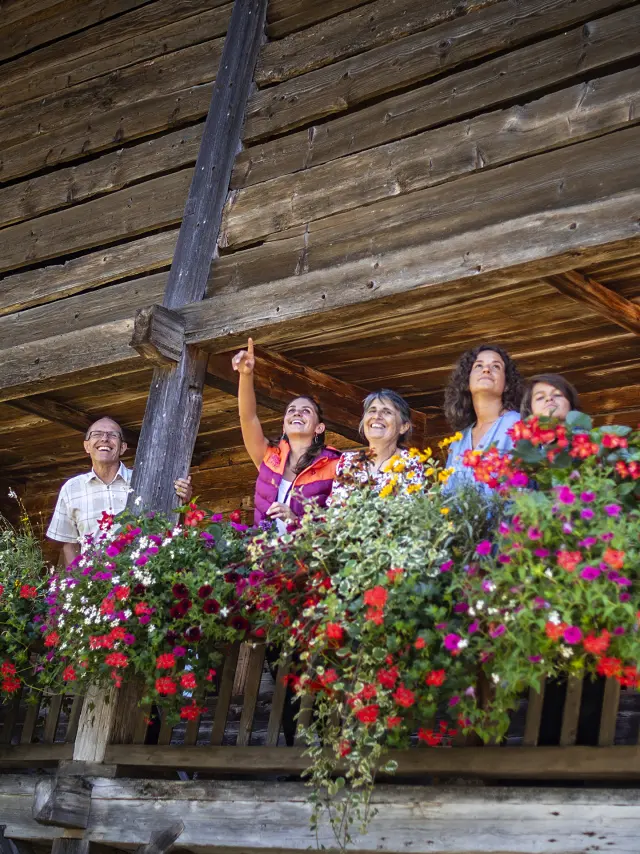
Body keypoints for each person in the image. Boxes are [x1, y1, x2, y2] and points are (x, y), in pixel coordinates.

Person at [47, 416, 192, 565]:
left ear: (122, 447)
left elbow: (171, 524)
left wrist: (181, 500)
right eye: (96, 434)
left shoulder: (144, 481)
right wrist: (78, 583)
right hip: (97, 580)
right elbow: (69, 544)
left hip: (144, 572)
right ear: (87, 446)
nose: (104, 438)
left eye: (112, 435)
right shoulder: (71, 489)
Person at [231, 338, 340, 530]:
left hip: (309, 557)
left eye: (306, 411)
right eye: (291, 410)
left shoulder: (334, 465)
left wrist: (294, 520)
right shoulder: (269, 458)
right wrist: (246, 375)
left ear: (319, 428)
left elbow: (338, 525)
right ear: (283, 426)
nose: (297, 413)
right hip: (266, 557)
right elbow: (248, 418)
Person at [443, 344, 523, 489]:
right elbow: (447, 494)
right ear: (467, 382)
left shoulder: (519, 424)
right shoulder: (458, 440)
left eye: (496, 367)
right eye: (478, 366)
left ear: (507, 385)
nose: (486, 370)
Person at [329, 389, 425, 504]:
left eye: (387, 412)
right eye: (372, 411)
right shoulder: (348, 462)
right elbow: (336, 511)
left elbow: (409, 514)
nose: (377, 416)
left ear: (403, 427)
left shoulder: (410, 463)